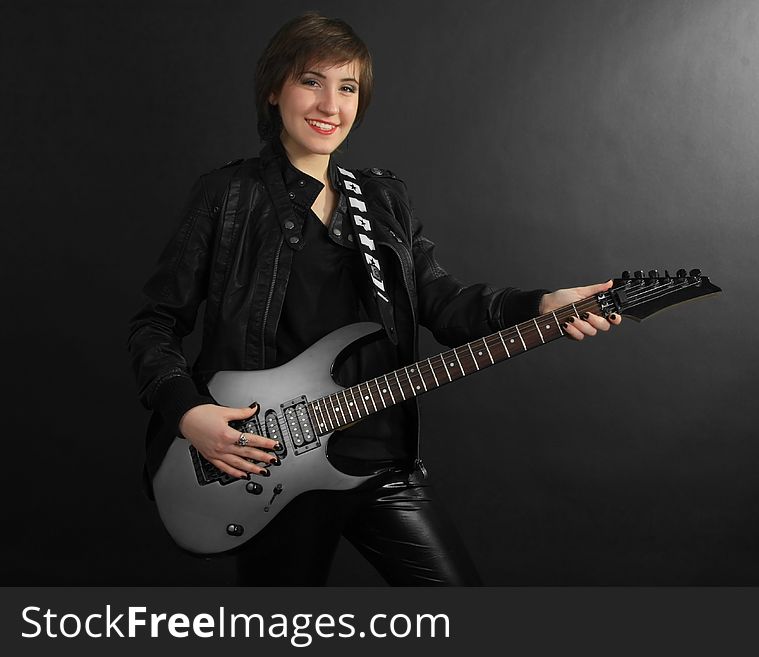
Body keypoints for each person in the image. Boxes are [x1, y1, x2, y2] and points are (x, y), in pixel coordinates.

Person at [128, 12, 621, 586]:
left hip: (381, 461)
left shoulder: (383, 198)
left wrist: (540, 306)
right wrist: (190, 415)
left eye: (348, 88)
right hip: (271, 464)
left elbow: (443, 302)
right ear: (274, 89)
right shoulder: (227, 197)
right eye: (311, 81)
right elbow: (153, 325)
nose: (329, 106)